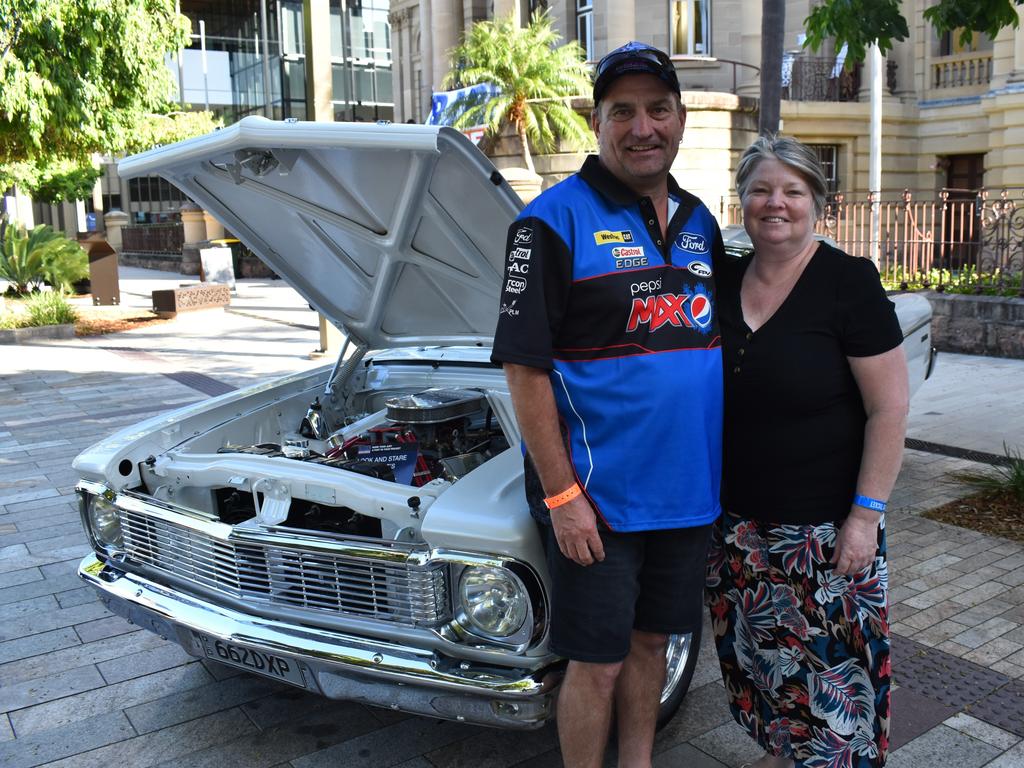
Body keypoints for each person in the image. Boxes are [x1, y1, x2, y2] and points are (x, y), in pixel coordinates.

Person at [491, 41, 725, 768]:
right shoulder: (547, 223)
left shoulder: (700, 222)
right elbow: (524, 370)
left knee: (653, 643)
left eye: (658, 109)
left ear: (680, 118)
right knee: (595, 662)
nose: (642, 126)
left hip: (688, 495)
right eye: (622, 111)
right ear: (597, 122)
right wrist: (562, 495)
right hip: (597, 501)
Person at [706, 135, 909, 768]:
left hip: (825, 535)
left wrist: (865, 516)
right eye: (761, 190)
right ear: (741, 201)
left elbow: (890, 408)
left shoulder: (848, 282)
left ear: (817, 201)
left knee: (834, 691)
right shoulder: (723, 277)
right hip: (739, 531)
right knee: (767, 675)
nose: (776, 204)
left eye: (792, 191)